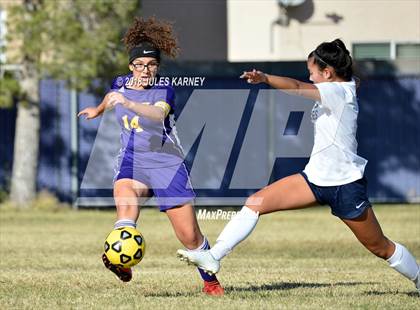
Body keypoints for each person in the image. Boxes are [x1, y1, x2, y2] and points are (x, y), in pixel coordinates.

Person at [177, 39, 420, 293]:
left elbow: (295, 86)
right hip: (314, 179)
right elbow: (353, 81)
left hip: (345, 185)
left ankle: (418, 278)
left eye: (313, 72)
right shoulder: (341, 86)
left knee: (380, 246)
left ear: (327, 73)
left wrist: (264, 77)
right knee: (255, 202)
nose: (310, 76)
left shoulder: (336, 92)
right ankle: (213, 256)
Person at [78, 17, 224, 296]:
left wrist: (129, 102)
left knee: (189, 236)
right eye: (141, 65)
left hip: (166, 164)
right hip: (132, 160)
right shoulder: (121, 83)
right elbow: (112, 95)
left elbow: (157, 114)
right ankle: (121, 258)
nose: (146, 70)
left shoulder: (164, 88)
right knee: (125, 207)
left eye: (152, 65)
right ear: (131, 66)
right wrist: (98, 110)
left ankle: (210, 281)